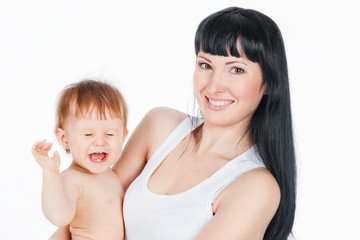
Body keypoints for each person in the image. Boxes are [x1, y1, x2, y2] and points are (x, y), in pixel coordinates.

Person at [113, 6, 296, 240]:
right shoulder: (159, 126)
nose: (213, 86)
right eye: (206, 65)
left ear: (269, 83)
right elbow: (91, 203)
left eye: (236, 69)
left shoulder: (256, 187)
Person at [32, 80, 128, 240]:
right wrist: (50, 171)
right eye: (88, 134)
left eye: (110, 134)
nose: (99, 142)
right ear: (64, 138)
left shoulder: (111, 175)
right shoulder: (72, 178)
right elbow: (59, 217)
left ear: (124, 136)